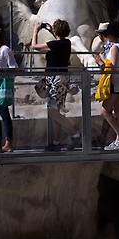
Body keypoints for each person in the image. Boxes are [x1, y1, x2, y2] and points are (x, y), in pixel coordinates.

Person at [31, 19, 80, 151]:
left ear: (56, 31)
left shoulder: (55, 44)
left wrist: (36, 30)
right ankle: (57, 141)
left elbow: (34, 46)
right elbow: (58, 42)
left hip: (56, 79)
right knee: (55, 109)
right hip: (60, 78)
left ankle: (74, 133)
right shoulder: (66, 43)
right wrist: (51, 30)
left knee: (52, 111)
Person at [96, 21, 119, 151]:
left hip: (114, 82)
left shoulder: (114, 47)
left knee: (105, 111)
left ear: (109, 34)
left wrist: (99, 61)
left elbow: (112, 65)